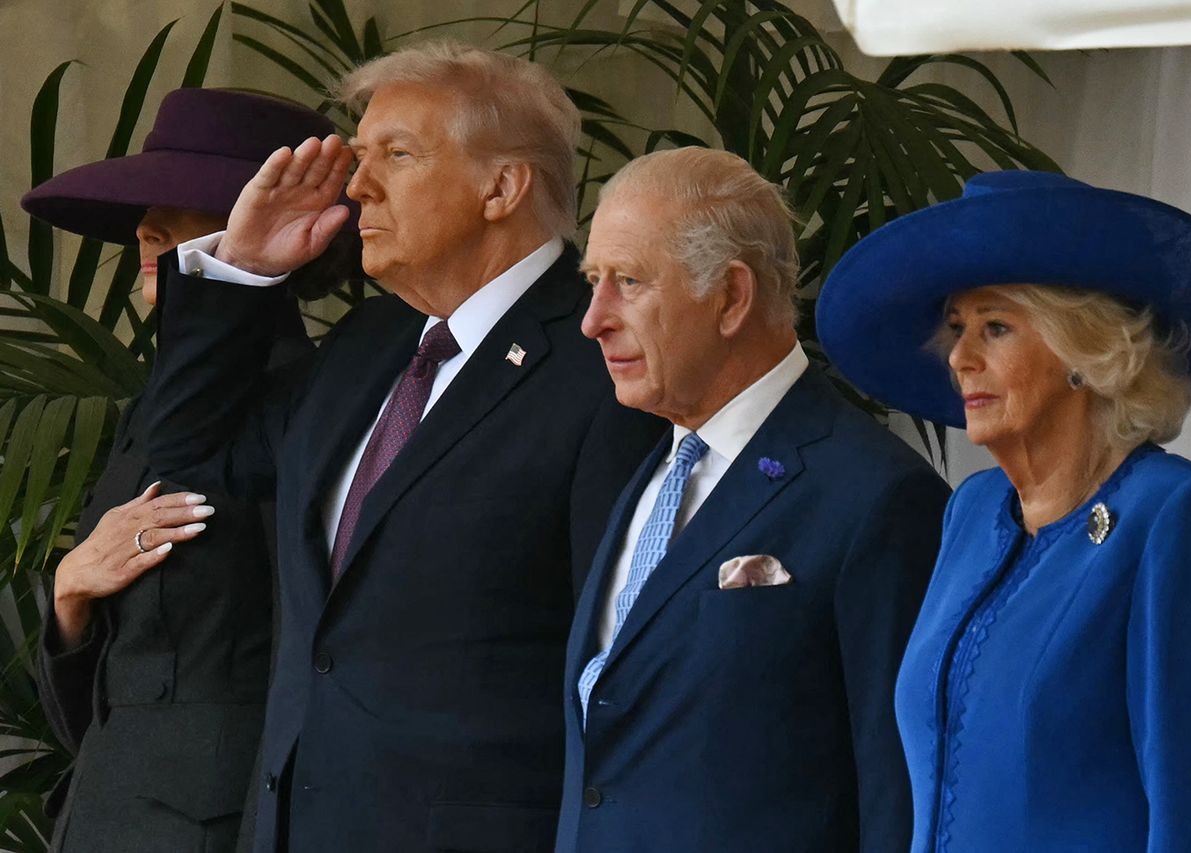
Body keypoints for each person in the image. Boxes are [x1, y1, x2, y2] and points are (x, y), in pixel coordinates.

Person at [142, 42, 664, 853]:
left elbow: (626, 672)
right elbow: (191, 451)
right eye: (357, 156)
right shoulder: (364, 346)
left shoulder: (609, 367)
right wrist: (240, 270)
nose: (358, 186)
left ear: (502, 186)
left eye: (396, 154)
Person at [816, 169, 1191, 853]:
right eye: (958, 327)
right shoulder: (972, 510)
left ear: (1085, 352)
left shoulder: (1175, 516)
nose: (960, 357)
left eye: (996, 327)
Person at [555, 147, 950, 853]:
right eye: (593, 281)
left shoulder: (877, 494)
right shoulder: (648, 469)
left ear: (731, 296)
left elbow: (896, 791)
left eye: (629, 282)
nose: (594, 319)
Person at [19, 88, 335, 853]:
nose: (146, 229)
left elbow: (314, 659)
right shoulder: (148, 408)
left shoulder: (312, 401)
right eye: (145, 208)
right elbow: (110, 691)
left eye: (193, 206)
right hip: (101, 812)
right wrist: (70, 591)